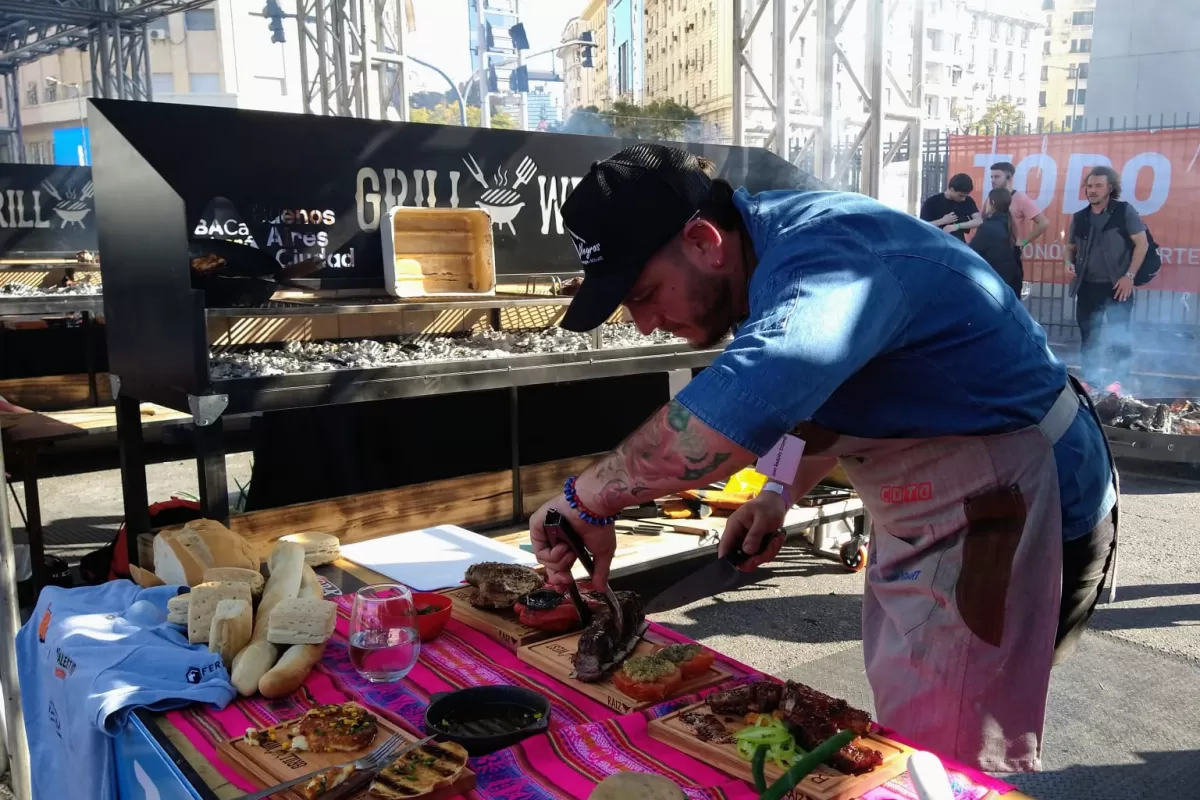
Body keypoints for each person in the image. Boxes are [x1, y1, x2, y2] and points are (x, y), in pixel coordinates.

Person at [529, 143, 1118, 773]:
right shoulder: (765, 249)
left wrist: (584, 497)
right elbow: (815, 399)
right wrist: (776, 492)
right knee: (909, 729)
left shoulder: (830, 259)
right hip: (944, 499)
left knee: (942, 757)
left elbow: (734, 413)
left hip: (1009, 503)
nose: (645, 324)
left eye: (645, 293)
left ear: (704, 241)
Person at [1065, 165, 1149, 389]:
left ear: (1110, 188)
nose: (1092, 190)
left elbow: (1142, 243)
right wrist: (1068, 262)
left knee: (1119, 339)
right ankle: (1091, 384)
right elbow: (1070, 247)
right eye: (1089, 186)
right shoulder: (1080, 217)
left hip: (1118, 287)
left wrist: (1129, 276)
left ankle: (1119, 384)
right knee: (1088, 338)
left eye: (1098, 186)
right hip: (1087, 287)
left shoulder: (1124, 211)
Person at [988, 161, 1050, 293]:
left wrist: (1024, 241)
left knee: (1009, 295)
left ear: (1009, 177)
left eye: (997, 177)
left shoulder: (1020, 198)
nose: (993, 180)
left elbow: (1044, 222)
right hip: (990, 253)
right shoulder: (991, 197)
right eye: (991, 177)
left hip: (1009, 254)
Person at [970, 188, 1023, 296]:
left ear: (992, 202)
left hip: (992, 284)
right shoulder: (1009, 225)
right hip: (1010, 283)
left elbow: (971, 253)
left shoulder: (988, 228)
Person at [919, 173, 981, 242]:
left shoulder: (967, 201)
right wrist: (942, 221)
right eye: (960, 195)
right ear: (952, 189)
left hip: (957, 244)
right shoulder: (932, 202)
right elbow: (921, 225)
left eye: (965, 196)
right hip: (936, 243)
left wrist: (957, 226)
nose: (963, 199)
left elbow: (979, 221)